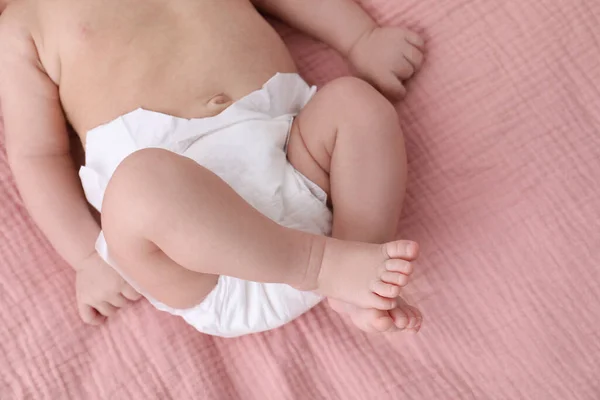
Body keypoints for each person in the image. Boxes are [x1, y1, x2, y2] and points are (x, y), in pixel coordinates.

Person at [0, 0, 424, 336]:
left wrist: (360, 37)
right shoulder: (23, 23)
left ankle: (361, 267)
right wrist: (87, 256)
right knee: (140, 186)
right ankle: (322, 266)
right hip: (197, 259)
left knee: (356, 102)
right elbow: (38, 154)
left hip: (296, 162)